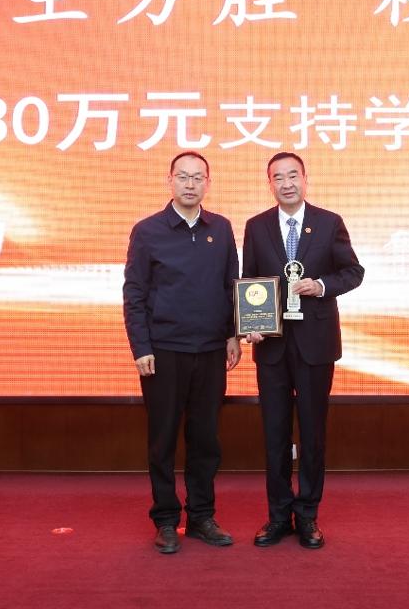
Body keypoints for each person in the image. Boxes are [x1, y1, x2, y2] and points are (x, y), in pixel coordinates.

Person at [242, 152, 364, 549]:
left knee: (312, 433)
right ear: (270, 184)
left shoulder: (329, 222)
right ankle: (278, 516)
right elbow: (249, 282)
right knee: (274, 434)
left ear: (305, 179)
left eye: (293, 175)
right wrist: (249, 324)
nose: (286, 183)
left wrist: (321, 286)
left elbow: (353, 272)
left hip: (316, 344)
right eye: (278, 177)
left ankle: (308, 515)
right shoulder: (256, 226)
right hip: (272, 346)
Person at [123, 151, 242, 554]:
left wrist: (233, 334)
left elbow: (231, 285)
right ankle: (166, 519)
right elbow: (134, 293)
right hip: (163, 352)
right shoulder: (147, 231)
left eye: (197, 177)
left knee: (206, 439)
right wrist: (141, 346)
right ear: (170, 181)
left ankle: (202, 516)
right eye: (183, 177)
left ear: (208, 182)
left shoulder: (221, 228)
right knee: (163, 440)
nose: (190, 184)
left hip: (210, 351)